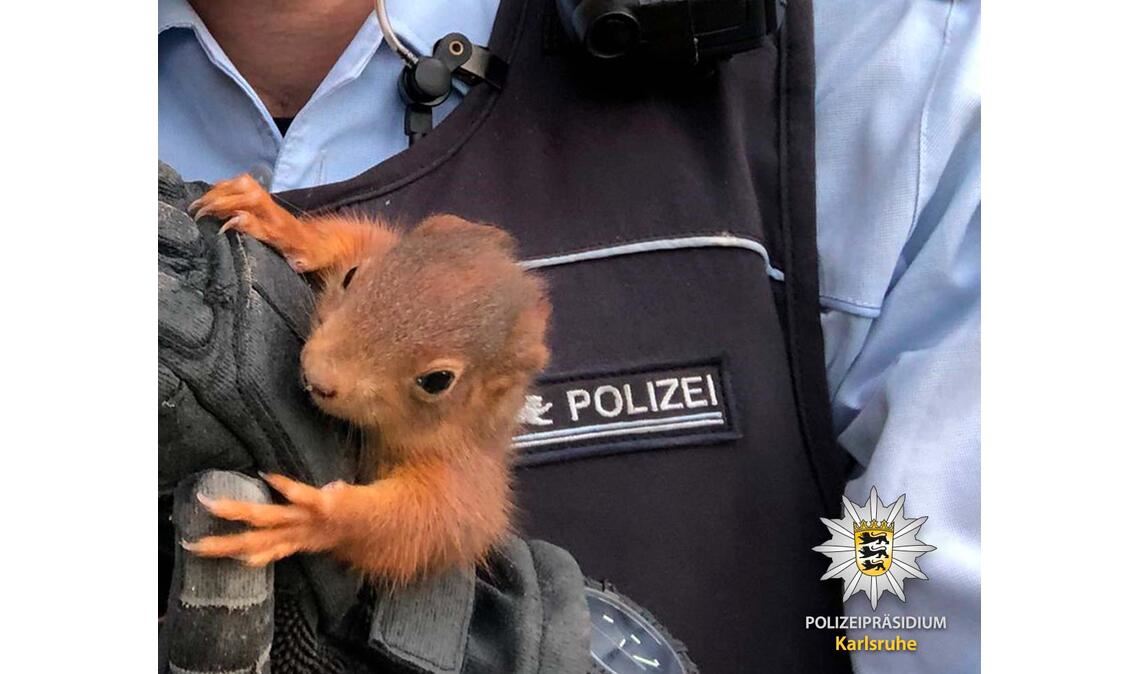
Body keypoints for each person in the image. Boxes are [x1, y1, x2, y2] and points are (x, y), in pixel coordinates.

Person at [159, 0, 980, 672]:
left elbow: (938, 612)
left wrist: (333, 519)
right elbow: (365, 250)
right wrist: (299, 239)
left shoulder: (881, 56)